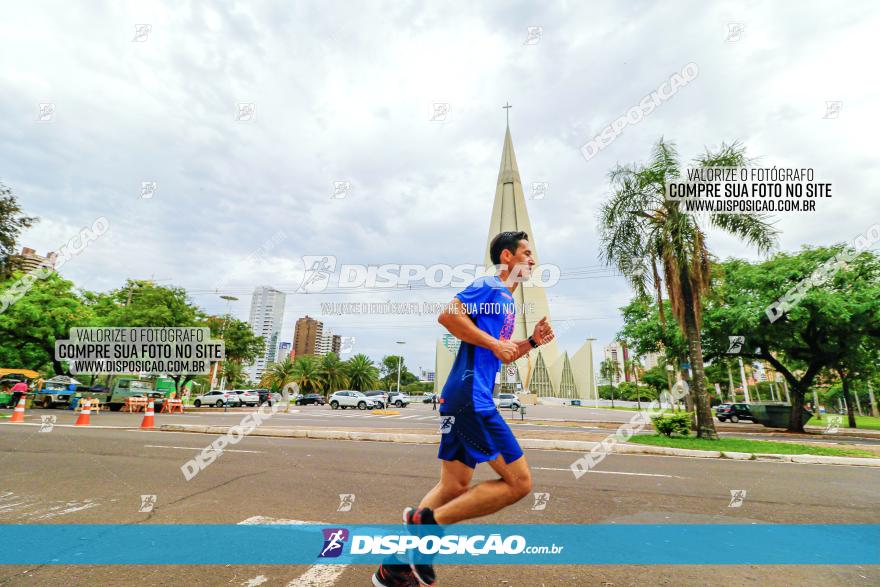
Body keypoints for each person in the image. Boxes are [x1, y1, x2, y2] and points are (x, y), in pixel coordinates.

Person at [373, 231, 555, 587]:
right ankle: (428, 527)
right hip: (473, 398)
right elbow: (448, 315)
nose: (533, 260)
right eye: (527, 253)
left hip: (461, 395)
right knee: (519, 484)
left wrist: (531, 341)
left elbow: (501, 351)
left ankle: (394, 566)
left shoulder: (506, 302)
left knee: (454, 485)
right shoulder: (491, 287)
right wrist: (493, 342)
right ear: (507, 257)